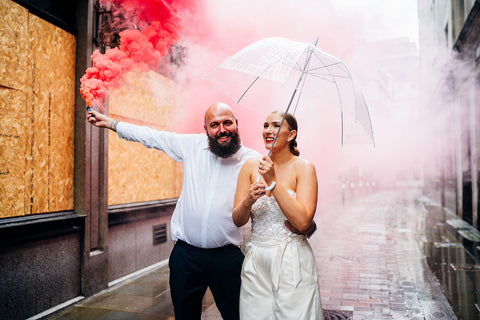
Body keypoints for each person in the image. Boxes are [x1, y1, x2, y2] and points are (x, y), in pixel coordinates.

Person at [86, 102, 260, 320]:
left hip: (228, 258)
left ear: (237, 124)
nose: (222, 130)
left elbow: (275, 192)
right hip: (186, 257)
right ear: (205, 129)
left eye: (227, 123)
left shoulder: (252, 160)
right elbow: (151, 136)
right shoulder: (191, 146)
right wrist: (113, 123)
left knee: (237, 315)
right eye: (214, 125)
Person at [232, 111, 323, 320]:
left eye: (275, 125)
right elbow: (237, 219)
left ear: (291, 135)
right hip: (256, 260)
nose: (268, 130)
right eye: (265, 125)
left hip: (292, 259)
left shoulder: (305, 168)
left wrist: (273, 180)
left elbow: (303, 222)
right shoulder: (250, 166)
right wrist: (248, 201)